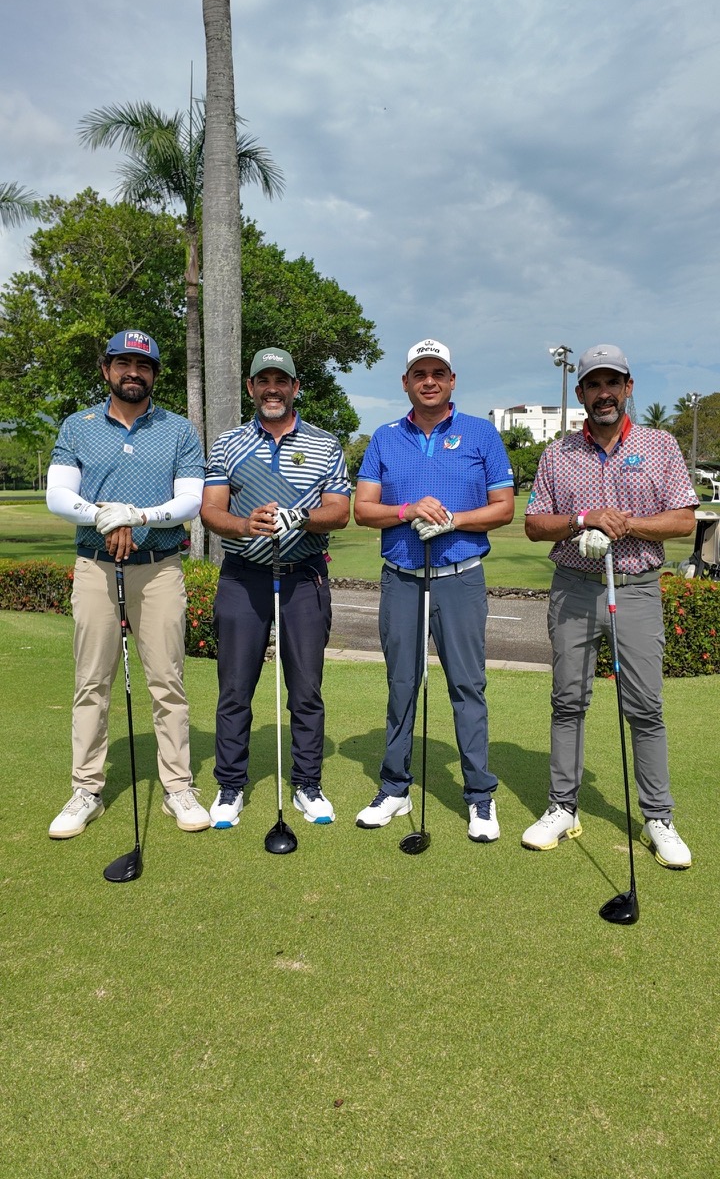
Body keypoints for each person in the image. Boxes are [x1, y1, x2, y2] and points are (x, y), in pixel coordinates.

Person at [523, 343, 697, 868]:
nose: (604, 393)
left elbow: (684, 520)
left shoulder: (660, 445)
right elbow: (535, 524)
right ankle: (562, 807)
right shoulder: (558, 454)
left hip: (637, 587)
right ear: (580, 393)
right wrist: (582, 519)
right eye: (593, 385)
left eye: (612, 383)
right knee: (567, 702)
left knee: (645, 707)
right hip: (574, 588)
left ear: (628, 388)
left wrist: (624, 522)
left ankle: (657, 817)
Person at [46, 330, 211, 838]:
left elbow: (190, 501)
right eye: (122, 364)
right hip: (95, 566)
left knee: (167, 681)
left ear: (155, 374)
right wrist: (105, 517)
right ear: (107, 370)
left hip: (159, 567)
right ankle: (86, 789)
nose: (132, 372)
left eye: (143, 365)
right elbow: (57, 494)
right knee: (91, 680)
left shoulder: (178, 430)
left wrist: (137, 514)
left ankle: (178, 785)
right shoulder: (79, 426)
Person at [354, 338, 515, 841]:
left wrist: (452, 519)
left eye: (438, 373)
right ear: (405, 382)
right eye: (419, 373)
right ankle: (395, 788)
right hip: (402, 578)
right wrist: (406, 511)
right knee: (402, 684)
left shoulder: (480, 433)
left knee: (467, 686)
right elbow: (364, 508)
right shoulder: (384, 437)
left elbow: (504, 508)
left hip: (461, 578)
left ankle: (479, 796)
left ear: (451, 381)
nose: (429, 380)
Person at [200, 346, 351, 829]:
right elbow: (211, 511)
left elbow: (340, 511)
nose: (272, 388)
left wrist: (300, 517)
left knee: (306, 688)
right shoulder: (227, 444)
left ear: (295, 387)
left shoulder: (326, 444)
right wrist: (246, 526)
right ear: (251, 388)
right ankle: (230, 786)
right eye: (263, 380)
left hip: (304, 576)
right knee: (235, 688)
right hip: (244, 577)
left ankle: (308, 785)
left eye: (280, 380)